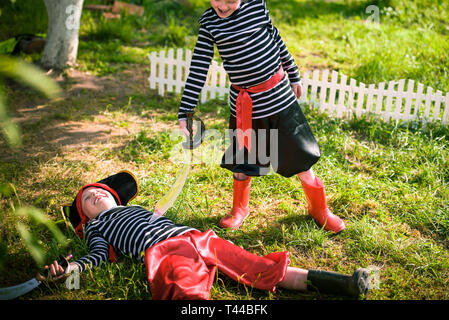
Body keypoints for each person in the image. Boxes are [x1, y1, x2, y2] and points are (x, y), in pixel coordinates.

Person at [46, 171, 370, 300]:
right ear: (85, 220)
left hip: (195, 236)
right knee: (186, 295)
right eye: (86, 200)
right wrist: (71, 269)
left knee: (258, 265)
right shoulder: (98, 228)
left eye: (98, 192)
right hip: (165, 251)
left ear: (115, 197)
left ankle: (343, 283)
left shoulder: (139, 208)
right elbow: (98, 255)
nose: (93, 196)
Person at [178, 0, 345, 233]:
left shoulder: (257, 6)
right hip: (245, 106)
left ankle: (320, 209)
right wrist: (185, 111)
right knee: (243, 159)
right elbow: (199, 67)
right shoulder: (209, 24)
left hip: (279, 100)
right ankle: (239, 208)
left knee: (301, 158)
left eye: (230, 0)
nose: (223, 6)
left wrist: (294, 74)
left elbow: (275, 38)